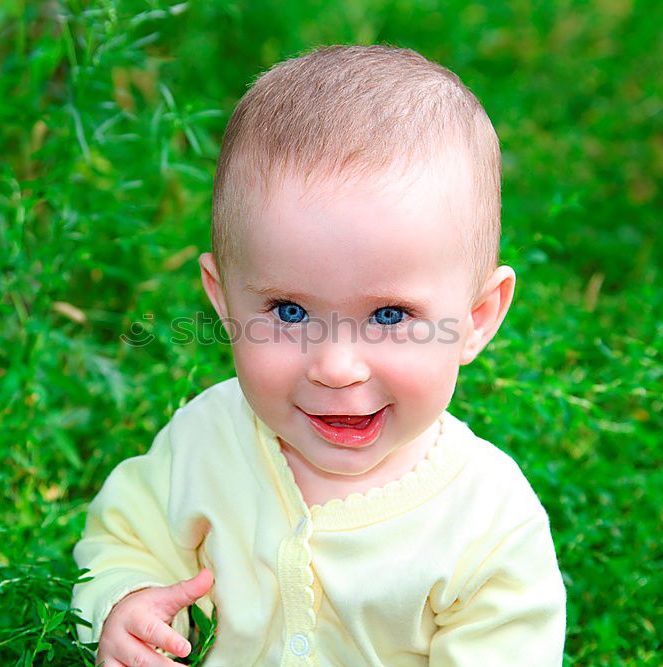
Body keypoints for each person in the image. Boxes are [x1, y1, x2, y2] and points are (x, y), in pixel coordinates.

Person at [73, 44, 566, 666]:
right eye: (289, 312)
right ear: (224, 303)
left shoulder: (489, 521)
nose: (336, 367)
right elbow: (124, 541)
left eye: (390, 316)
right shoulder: (206, 440)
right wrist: (127, 603)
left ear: (476, 318)